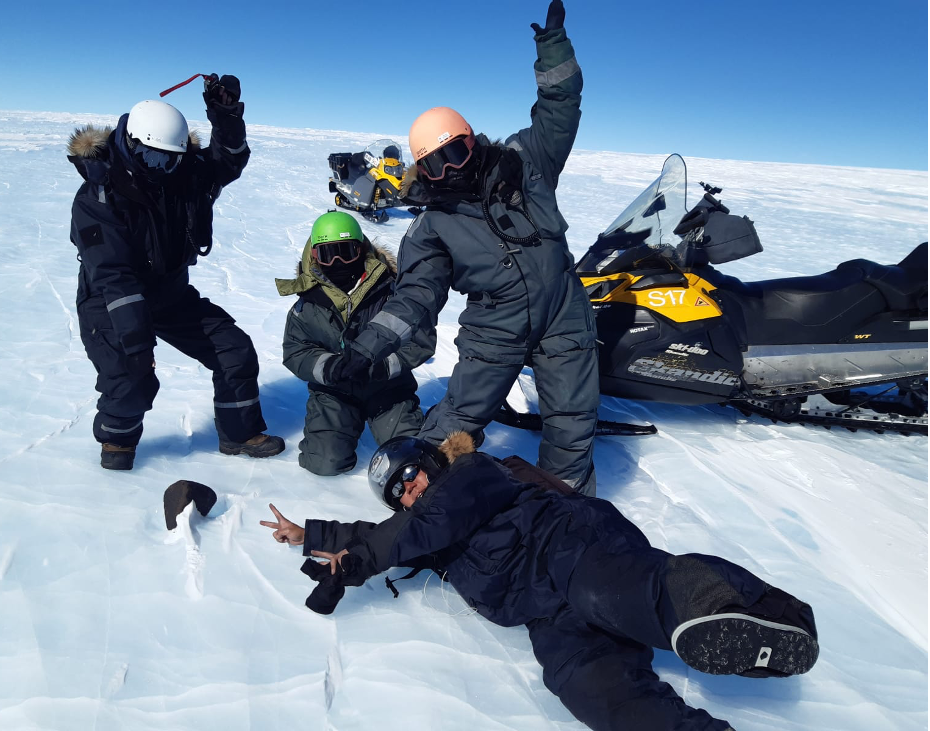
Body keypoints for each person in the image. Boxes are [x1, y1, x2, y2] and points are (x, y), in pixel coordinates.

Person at [260, 433, 820, 731]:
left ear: (432, 461)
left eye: (411, 475)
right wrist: (310, 533)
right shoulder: (425, 528)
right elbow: (390, 531)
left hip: (571, 548)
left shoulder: (471, 475)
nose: (409, 491)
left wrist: (357, 564)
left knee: (618, 592)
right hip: (545, 611)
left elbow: (410, 530)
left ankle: (763, 614)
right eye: (397, 493)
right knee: (588, 687)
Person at [324, 0, 601, 495]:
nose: (449, 171)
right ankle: (424, 497)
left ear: (471, 142)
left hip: (564, 312)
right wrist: (366, 349)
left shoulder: (524, 160)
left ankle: (569, 516)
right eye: (435, 164)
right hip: (496, 328)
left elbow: (561, 107)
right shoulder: (432, 226)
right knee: (458, 418)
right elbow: (414, 297)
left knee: (571, 424)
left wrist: (552, 47)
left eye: (455, 154)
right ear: (422, 171)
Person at [67, 75, 284, 470]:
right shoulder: (98, 197)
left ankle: (239, 434)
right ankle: (117, 446)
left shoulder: (182, 173)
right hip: (110, 299)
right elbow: (113, 274)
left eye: (170, 158)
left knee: (233, 349)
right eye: (152, 158)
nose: (161, 168)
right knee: (133, 380)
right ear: (131, 145)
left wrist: (226, 115)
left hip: (169, 293)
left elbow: (230, 158)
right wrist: (138, 344)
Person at [275, 211, 436, 475]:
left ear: (361, 249)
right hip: (335, 391)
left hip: (388, 389)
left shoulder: (392, 291)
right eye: (329, 254)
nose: (339, 262)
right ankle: (342, 427)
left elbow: (421, 340)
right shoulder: (307, 303)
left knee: (411, 459)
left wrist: (382, 368)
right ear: (315, 256)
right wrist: (329, 368)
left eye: (346, 251)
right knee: (324, 464)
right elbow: (295, 350)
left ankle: (430, 422)